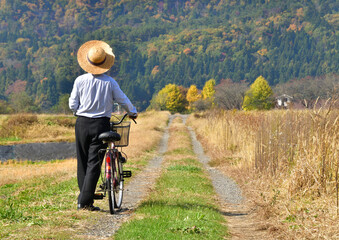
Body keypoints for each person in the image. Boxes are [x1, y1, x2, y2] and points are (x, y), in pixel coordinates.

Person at [69, 40, 137, 211]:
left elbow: (72, 104)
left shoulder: (79, 80)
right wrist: (132, 111)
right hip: (101, 124)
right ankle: (84, 202)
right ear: (105, 63)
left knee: (83, 161)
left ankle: (85, 199)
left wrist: (78, 110)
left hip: (82, 123)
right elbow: (122, 99)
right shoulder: (109, 82)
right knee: (94, 162)